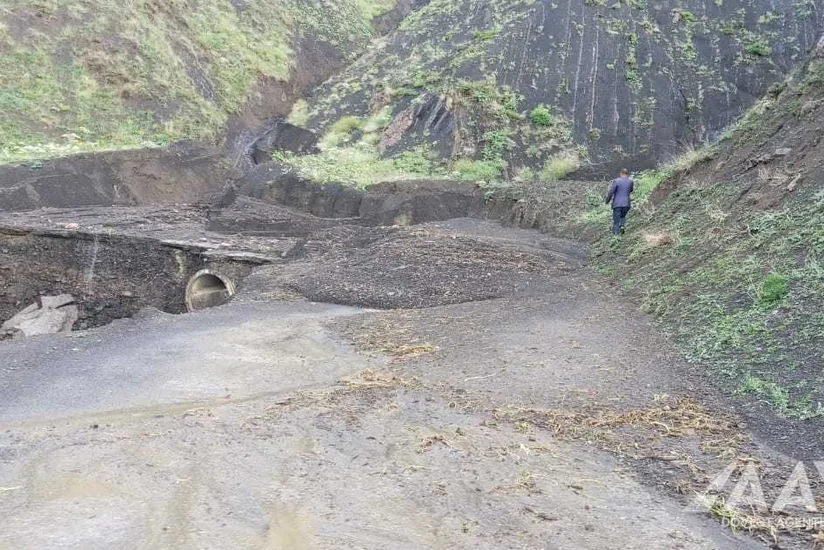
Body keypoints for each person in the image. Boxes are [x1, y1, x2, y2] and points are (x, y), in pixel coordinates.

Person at [605, 169, 634, 235]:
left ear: (621, 173)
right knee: (623, 216)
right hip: (627, 204)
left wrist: (607, 201)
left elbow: (611, 192)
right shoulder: (630, 182)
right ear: (627, 174)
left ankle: (615, 236)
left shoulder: (616, 181)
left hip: (617, 204)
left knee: (616, 221)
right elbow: (631, 190)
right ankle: (622, 226)